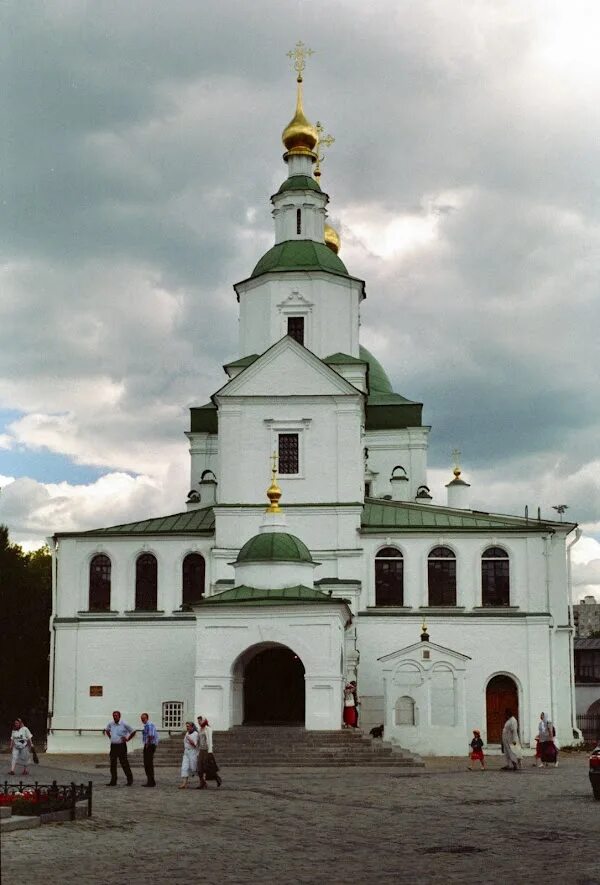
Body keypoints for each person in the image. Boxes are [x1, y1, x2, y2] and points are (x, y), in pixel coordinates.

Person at [104, 710, 135, 786]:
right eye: (114, 715)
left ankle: (129, 780)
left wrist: (128, 739)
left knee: (124, 763)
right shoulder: (111, 724)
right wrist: (110, 737)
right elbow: (107, 730)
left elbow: (133, 731)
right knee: (113, 764)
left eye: (116, 715)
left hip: (121, 746)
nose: (115, 717)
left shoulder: (124, 724)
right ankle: (113, 781)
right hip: (113, 746)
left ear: (119, 716)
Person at [196, 715, 221, 789]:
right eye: (198, 721)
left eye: (200, 720)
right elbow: (199, 741)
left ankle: (217, 778)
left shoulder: (208, 729)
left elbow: (210, 740)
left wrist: (210, 751)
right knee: (199, 767)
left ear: (203, 720)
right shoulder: (200, 729)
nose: (199, 722)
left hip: (207, 750)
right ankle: (202, 783)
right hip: (201, 750)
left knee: (207, 767)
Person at [140, 712, 159, 787]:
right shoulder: (146, 725)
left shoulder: (149, 725)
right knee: (147, 764)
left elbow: (151, 735)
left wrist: (147, 744)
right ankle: (151, 781)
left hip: (150, 745)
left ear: (147, 718)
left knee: (148, 764)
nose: (142, 719)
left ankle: (151, 782)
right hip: (149, 744)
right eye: (141, 718)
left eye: (143, 718)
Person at [179, 721, 199, 789]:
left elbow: (195, 745)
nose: (187, 728)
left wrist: (189, 740)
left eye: (188, 726)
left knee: (194, 768)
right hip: (186, 752)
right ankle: (184, 783)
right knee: (184, 767)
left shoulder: (195, 734)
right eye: (186, 726)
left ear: (192, 727)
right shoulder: (187, 733)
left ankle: (203, 781)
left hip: (192, 752)